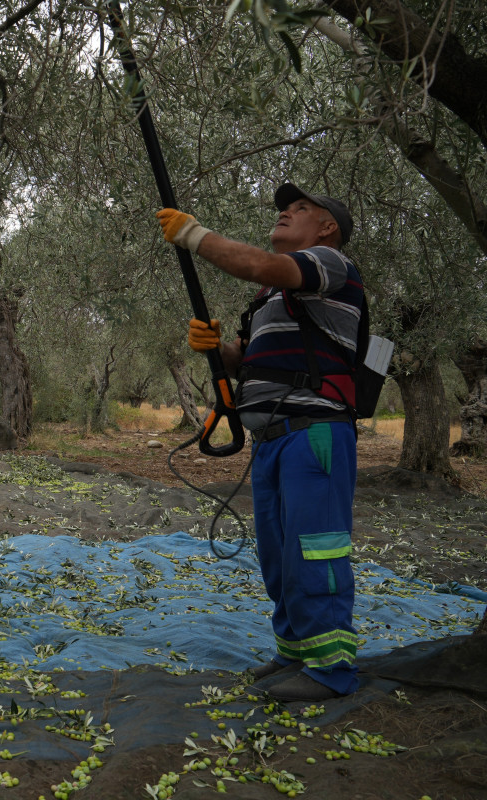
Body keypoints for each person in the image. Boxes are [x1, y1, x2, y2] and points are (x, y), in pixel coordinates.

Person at [156, 182, 361, 703]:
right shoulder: (273, 297)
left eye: (300, 209)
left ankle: (331, 668)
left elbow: (258, 264)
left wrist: (194, 235)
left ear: (327, 227)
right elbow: (247, 362)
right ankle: (294, 651)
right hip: (270, 441)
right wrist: (219, 349)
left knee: (316, 550)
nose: (286, 214)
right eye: (284, 209)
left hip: (313, 435)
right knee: (278, 552)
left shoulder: (330, 265)